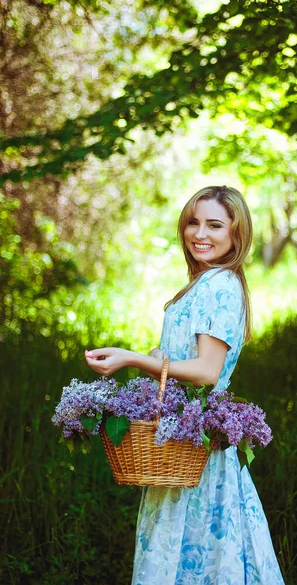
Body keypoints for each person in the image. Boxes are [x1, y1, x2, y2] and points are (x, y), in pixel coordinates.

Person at [85, 185, 285, 585]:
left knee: (198, 554)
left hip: (196, 453)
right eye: (193, 222)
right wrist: (157, 358)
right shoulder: (201, 283)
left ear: (236, 234)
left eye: (214, 224)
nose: (200, 233)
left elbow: (208, 371)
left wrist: (133, 358)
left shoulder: (221, 285)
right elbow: (183, 361)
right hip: (179, 446)